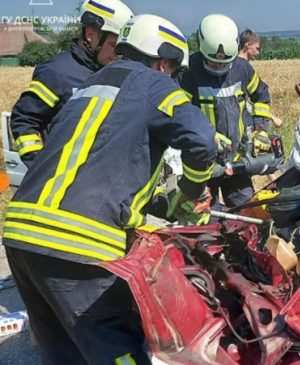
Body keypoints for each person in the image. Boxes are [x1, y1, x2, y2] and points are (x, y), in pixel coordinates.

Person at [3, 14, 217, 364]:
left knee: (62, 352)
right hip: (75, 245)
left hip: (20, 235)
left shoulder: (91, 84)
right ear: (163, 62)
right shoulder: (155, 84)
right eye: (175, 70)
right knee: (116, 345)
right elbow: (202, 141)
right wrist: (191, 193)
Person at [10, 0, 133, 167]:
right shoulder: (57, 72)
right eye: (114, 45)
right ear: (91, 34)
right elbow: (24, 120)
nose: (118, 55)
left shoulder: (114, 73)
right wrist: (39, 168)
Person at [181, 14, 275, 208]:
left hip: (238, 160)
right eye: (213, 63)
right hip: (204, 164)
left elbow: (261, 95)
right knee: (206, 219)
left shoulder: (243, 69)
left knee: (246, 215)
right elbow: (181, 114)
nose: (218, 67)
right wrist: (207, 135)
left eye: (224, 64)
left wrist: (261, 131)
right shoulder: (189, 72)